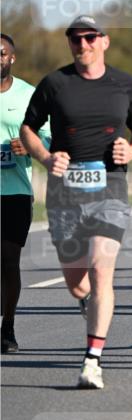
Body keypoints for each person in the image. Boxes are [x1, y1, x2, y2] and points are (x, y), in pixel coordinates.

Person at [20, 15, 132, 388]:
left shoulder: (125, 83)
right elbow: (28, 128)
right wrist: (46, 158)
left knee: (100, 269)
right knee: (77, 282)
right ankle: (88, 303)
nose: (83, 44)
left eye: (90, 37)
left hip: (110, 188)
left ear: (104, 41)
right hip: (64, 193)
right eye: (76, 38)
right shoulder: (55, 83)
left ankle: (92, 360)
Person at [1, 34, 50, 353]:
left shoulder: (28, 94)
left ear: (11, 58)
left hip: (15, 191)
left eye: (1, 53)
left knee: (8, 261)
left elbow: (49, 136)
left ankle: (8, 327)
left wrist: (30, 145)